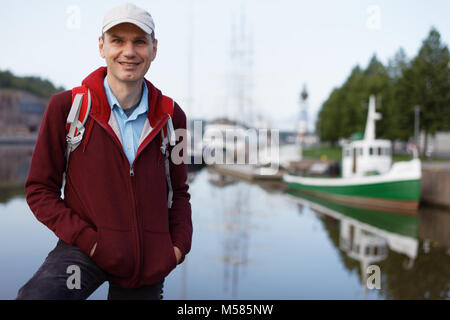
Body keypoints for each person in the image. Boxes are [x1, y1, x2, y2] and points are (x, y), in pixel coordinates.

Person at [16, 3, 192, 300]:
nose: (129, 52)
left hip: (149, 258)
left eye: (139, 41)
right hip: (85, 250)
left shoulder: (173, 116)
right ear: (102, 47)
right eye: (117, 41)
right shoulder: (67, 108)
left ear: (154, 48)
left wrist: (176, 249)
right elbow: (39, 190)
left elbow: (179, 192)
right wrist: (90, 241)